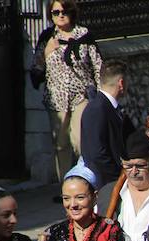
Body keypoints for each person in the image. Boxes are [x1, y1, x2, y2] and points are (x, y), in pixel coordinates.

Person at [30, 0, 102, 179]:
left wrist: (102, 95)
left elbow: (98, 66)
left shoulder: (84, 35)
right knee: (61, 145)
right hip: (57, 99)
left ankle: (87, 180)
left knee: (79, 140)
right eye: (56, 12)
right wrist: (47, 52)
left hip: (81, 95)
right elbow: (36, 70)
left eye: (64, 11)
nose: (60, 15)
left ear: (72, 12)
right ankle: (66, 186)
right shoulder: (47, 37)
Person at [80, 60, 135, 190]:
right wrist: (118, 178)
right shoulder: (97, 109)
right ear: (121, 83)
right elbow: (97, 154)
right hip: (106, 185)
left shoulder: (110, 107)